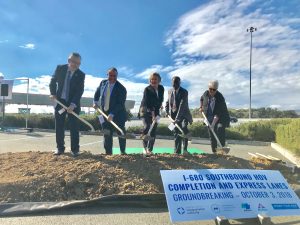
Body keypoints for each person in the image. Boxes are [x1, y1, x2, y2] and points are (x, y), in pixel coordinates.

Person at [49, 52, 85, 157]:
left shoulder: (81, 75)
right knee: (59, 126)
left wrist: (73, 105)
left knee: (74, 126)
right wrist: (53, 93)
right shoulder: (60, 68)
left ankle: (75, 149)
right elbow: (53, 81)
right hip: (60, 101)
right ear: (69, 60)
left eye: (78, 63)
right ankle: (60, 148)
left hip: (73, 103)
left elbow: (79, 91)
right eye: (73, 62)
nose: (75, 65)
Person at [93, 67, 127, 155]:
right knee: (107, 134)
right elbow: (97, 93)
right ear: (107, 75)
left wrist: (112, 113)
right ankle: (108, 153)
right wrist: (95, 102)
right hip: (104, 114)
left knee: (121, 133)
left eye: (114, 75)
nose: (111, 77)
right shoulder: (103, 83)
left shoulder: (122, 88)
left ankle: (122, 152)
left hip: (118, 114)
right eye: (110, 75)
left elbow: (120, 104)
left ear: (117, 76)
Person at [200, 80, 230, 153]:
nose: (212, 91)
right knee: (212, 136)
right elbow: (201, 99)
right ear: (208, 88)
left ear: (216, 89)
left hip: (221, 117)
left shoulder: (220, 97)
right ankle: (214, 152)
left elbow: (218, 113)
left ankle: (222, 148)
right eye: (210, 89)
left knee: (220, 130)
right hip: (208, 117)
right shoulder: (205, 93)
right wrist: (201, 107)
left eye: (214, 89)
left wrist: (213, 124)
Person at [165, 76, 193, 155]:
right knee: (176, 132)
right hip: (173, 115)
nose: (174, 85)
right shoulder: (170, 91)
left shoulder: (184, 92)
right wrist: (167, 111)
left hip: (184, 115)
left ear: (179, 83)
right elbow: (168, 101)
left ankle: (185, 150)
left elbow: (182, 106)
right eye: (173, 83)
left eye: (176, 83)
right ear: (172, 83)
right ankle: (177, 152)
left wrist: (177, 119)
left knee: (184, 128)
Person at [138, 72, 164, 155]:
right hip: (145, 110)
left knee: (153, 130)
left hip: (155, 110)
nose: (153, 81)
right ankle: (144, 148)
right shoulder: (147, 89)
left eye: (155, 79)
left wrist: (159, 107)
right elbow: (149, 103)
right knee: (147, 126)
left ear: (159, 80)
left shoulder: (161, 88)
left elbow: (160, 100)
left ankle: (150, 149)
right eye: (152, 79)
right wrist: (153, 115)